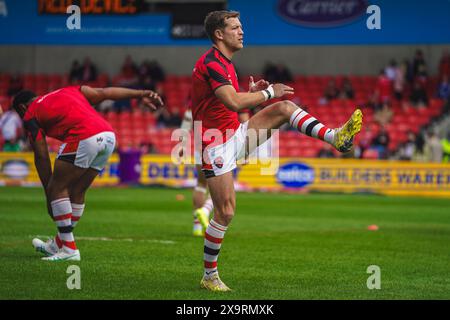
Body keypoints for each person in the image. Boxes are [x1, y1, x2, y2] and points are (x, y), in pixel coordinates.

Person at [192, 10, 363, 292]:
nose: (241, 31)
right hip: (216, 145)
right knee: (225, 212)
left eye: (241, 25)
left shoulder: (224, 63)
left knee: (285, 109)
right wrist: (268, 92)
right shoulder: (212, 62)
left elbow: (230, 101)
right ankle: (209, 276)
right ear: (219, 34)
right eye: (235, 27)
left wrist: (253, 92)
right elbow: (234, 103)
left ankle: (336, 137)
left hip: (234, 135)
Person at [11, 85, 162, 261]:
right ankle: (58, 244)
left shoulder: (30, 114)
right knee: (77, 191)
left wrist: (49, 193)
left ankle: (69, 250)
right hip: (108, 136)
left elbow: (41, 156)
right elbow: (105, 93)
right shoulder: (69, 90)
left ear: (22, 108)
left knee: (57, 187)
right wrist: (142, 92)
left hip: (84, 136)